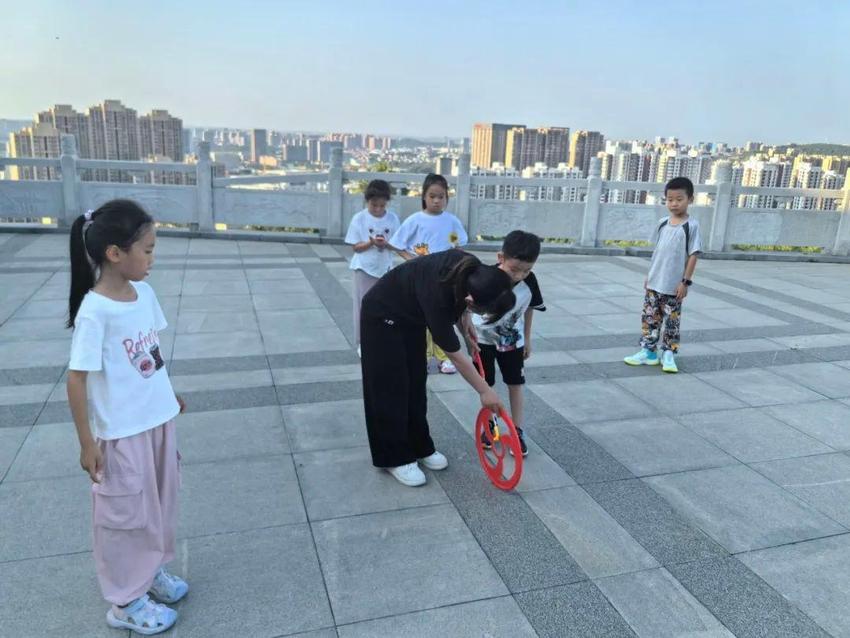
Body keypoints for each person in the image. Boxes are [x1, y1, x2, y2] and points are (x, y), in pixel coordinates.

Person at [66, 200, 187, 635]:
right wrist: (87, 443)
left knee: (157, 504)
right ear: (115, 253)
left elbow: (151, 353)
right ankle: (124, 601)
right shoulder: (95, 311)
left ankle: (149, 572)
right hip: (120, 434)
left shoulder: (145, 294)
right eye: (148, 250)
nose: (153, 259)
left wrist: (167, 395)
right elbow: (76, 380)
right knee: (124, 516)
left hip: (156, 422)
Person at [360, 249, 515, 487]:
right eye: (480, 312)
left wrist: (465, 326)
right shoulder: (437, 297)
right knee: (390, 388)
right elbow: (456, 357)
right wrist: (485, 390)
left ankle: (420, 445)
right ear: (471, 300)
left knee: (415, 383)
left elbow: (461, 302)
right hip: (382, 316)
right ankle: (394, 457)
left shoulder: (471, 268)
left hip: (411, 317)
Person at [470, 231, 545, 457]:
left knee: (516, 383)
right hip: (482, 341)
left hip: (512, 342)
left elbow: (531, 308)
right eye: (515, 269)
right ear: (501, 257)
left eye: (527, 270)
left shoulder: (530, 282)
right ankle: (491, 432)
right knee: (487, 386)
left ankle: (517, 431)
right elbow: (468, 307)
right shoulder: (486, 277)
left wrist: (528, 339)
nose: (520, 275)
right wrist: (468, 339)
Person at [390, 173, 468, 374]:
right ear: (424, 196)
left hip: (445, 279)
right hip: (421, 279)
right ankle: (422, 356)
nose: (436, 200)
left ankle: (444, 357)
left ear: (447, 198)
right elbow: (397, 244)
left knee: (443, 318)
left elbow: (458, 246)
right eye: (432, 196)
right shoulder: (415, 220)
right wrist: (413, 261)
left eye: (441, 196)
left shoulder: (451, 221)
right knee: (422, 318)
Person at [624, 176, 702, 373]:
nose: (674, 203)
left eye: (679, 199)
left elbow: (693, 255)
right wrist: (649, 276)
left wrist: (685, 282)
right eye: (669, 199)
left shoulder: (691, 226)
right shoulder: (662, 223)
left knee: (671, 322)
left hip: (673, 286)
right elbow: (658, 252)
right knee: (650, 319)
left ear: (690, 199)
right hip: (654, 283)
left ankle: (668, 353)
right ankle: (648, 352)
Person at [344, 179, 400, 357]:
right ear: (367, 201)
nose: (377, 209)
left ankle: (382, 339)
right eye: (374, 205)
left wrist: (385, 244)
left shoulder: (392, 218)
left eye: (382, 205)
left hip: (385, 268)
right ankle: (363, 341)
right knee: (362, 306)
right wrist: (371, 242)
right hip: (364, 268)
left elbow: (397, 244)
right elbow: (355, 247)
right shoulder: (359, 218)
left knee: (385, 306)